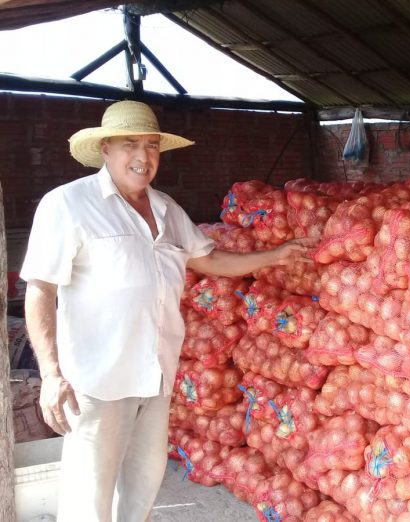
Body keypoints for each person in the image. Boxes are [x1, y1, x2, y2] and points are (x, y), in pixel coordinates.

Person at [20, 100, 313, 522]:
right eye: (130, 144)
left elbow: (209, 261)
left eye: (152, 146)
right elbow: (40, 288)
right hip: (98, 381)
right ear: (105, 149)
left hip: (156, 375)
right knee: (89, 498)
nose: (143, 157)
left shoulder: (166, 209)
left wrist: (276, 255)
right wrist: (50, 374)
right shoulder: (68, 205)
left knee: (142, 487)